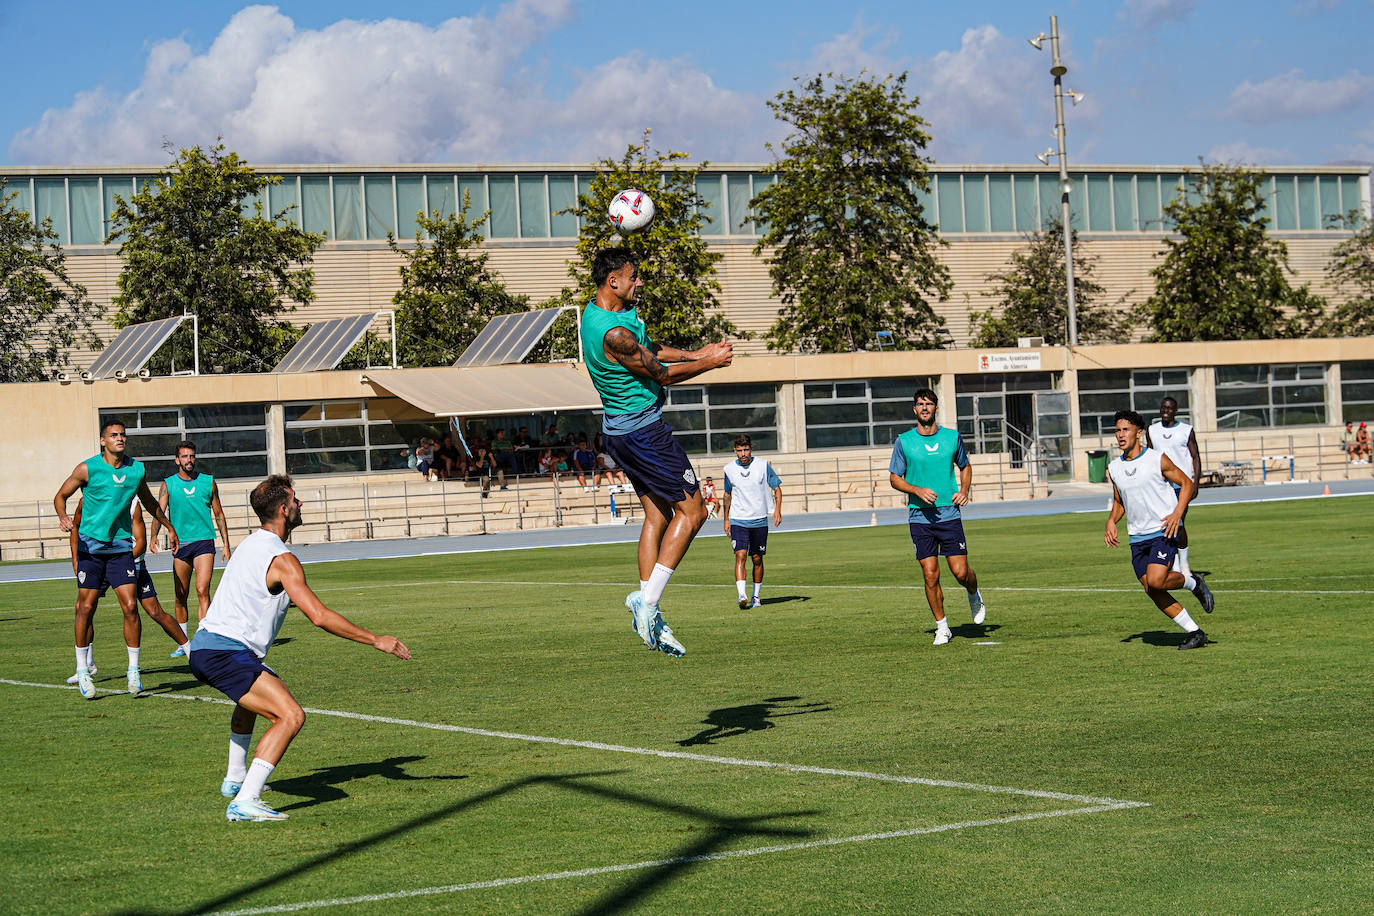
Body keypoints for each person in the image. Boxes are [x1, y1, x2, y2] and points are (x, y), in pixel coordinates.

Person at [188, 475, 410, 822]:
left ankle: (234, 780)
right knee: (291, 716)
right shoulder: (282, 559)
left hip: (207, 647)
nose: (300, 504)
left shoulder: (250, 543)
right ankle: (246, 800)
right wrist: (376, 640)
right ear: (283, 510)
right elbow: (319, 616)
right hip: (224, 652)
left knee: (249, 703)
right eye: (295, 500)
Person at [580, 247, 732, 657]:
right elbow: (659, 373)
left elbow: (654, 352)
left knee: (657, 514)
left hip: (619, 432)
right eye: (633, 277)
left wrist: (697, 352)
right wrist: (712, 363)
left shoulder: (597, 314)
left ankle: (646, 605)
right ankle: (647, 605)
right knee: (695, 511)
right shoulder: (614, 334)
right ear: (613, 281)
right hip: (644, 434)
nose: (639, 282)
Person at [54, 420, 180, 698]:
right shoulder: (87, 469)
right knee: (85, 609)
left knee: (131, 608)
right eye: (114, 435)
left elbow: (149, 502)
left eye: (123, 435)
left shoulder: (136, 469)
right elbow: (60, 496)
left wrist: (169, 526)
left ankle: (133, 671)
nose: (120, 439)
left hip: (120, 550)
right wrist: (63, 517)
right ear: (103, 441)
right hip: (90, 549)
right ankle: (84, 671)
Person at [1105, 410, 1215, 650]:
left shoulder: (1157, 458)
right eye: (1117, 430)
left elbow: (1186, 483)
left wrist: (1177, 513)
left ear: (1139, 433)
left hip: (1163, 530)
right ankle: (1195, 633)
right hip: (1137, 537)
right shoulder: (1114, 468)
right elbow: (1119, 502)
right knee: (1152, 589)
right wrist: (1111, 521)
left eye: (1125, 429)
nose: (1120, 435)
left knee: (1156, 580)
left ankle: (1192, 582)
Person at [888, 387, 988, 647]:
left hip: (949, 514)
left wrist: (964, 490)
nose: (924, 408)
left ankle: (973, 592)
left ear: (936, 408)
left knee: (960, 572)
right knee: (930, 574)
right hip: (920, 517)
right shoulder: (904, 441)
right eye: (920, 404)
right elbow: (894, 478)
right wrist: (916, 490)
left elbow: (965, 466)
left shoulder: (952, 438)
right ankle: (942, 627)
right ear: (914, 409)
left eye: (929, 404)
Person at [64, 498, 190, 686]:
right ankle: (87, 665)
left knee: (154, 611)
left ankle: (191, 651)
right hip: (99, 564)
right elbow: (76, 527)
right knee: (84, 609)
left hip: (131, 564)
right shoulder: (89, 499)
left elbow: (140, 542)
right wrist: (76, 559)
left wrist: (120, 563)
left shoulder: (133, 503)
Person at [151, 441, 232, 658]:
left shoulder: (208, 482)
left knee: (202, 590)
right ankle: (183, 640)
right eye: (185, 457)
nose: (189, 460)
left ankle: (203, 638)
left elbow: (219, 514)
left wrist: (226, 544)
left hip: (204, 542)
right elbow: (159, 512)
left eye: (192, 456)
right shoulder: (168, 484)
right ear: (177, 460)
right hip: (181, 545)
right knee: (180, 595)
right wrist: (153, 536)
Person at [721, 435, 782, 610]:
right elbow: (727, 495)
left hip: (759, 520)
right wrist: (726, 519)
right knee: (740, 555)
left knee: (756, 558)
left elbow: (777, 488)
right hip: (738, 520)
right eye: (739, 451)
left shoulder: (762, 465)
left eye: (746, 450)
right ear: (735, 451)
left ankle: (756, 596)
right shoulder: (729, 469)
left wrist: (777, 510)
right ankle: (742, 595)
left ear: (751, 449)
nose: (743, 454)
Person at [1146, 397, 1202, 576]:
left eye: (1170, 408)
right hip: (1161, 486)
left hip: (1181, 485)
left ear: (1176, 411)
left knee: (1179, 523)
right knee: (1165, 524)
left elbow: (1195, 457)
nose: (1166, 411)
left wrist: (1196, 483)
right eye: (1163, 407)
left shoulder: (1186, 430)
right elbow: (1149, 456)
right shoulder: (1152, 431)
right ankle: (1175, 564)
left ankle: (1184, 565)